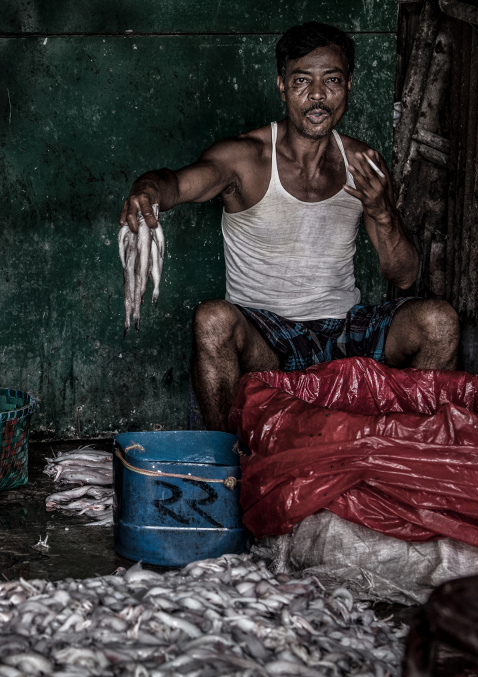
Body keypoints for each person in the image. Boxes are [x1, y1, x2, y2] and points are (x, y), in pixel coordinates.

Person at [119, 22, 458, 431]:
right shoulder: (245, 158)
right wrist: (148, 189)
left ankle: (404, 455)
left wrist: (384, 214)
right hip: (268, 335)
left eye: (331, 80)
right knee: (213, 320)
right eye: (302, 81)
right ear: (282, 86)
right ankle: (228, 467)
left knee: (439, 322)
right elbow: (176, 184)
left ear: (349, 84)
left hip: (346, 333)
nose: (317, 96)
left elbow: (404, 276)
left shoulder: (362, 163)